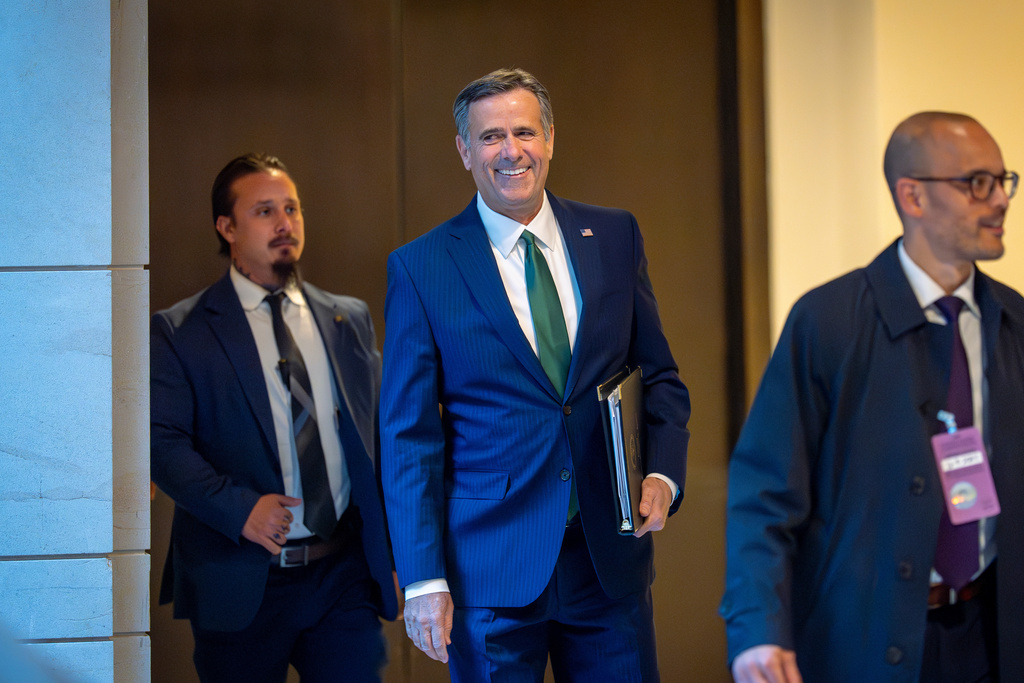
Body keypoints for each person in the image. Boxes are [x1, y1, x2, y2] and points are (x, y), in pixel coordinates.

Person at [380, 68, 691, 682]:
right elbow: (408, 437)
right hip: (488, 572)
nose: (511, 151)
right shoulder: (420, 267)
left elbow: (660, 376)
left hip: (608, 562)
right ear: (465, 152)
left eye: (524, 131)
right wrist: (422, 578)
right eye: (491, 136)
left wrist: (662, 473)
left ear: (550, 138)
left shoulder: (613, 235)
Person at [720, 111, 1024, 682]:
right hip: (863, 642)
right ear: (913, 195)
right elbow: (765, 495)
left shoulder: (1015, 323)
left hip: (993, 639)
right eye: (976, 183)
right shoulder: (828, 322)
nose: (1000, 200)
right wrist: (756, 628)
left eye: (1002, 181)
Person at [150, 153, 397, 682]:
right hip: (239, 578)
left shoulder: (346, 317)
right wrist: (240, 509)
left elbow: (378, 437)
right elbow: (162, 444)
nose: (285, 223)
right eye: (264, 211)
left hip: (342, 574)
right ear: (227, 227)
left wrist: (395, 553)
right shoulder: (181, 331)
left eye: (292, 208)